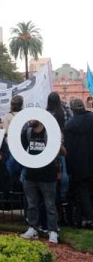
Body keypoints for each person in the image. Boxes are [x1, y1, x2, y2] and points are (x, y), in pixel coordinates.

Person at [20, 119, 60, 244]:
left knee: (50, 205)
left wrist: (59, 144)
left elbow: (62, 152)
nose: (30, 121)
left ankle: (52, 230)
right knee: (32, 204)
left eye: (32, 118)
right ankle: (33, 228)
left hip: (47, 175)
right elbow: (21, 151)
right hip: (31, 174)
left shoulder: (49, 133)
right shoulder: (27, 133)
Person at [64, 98, 93, 228]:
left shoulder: (69, 125)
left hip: (79, 164)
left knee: (83, 191)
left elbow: (69, 149)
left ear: (72, 109)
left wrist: (69, 169)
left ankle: (89, 218)